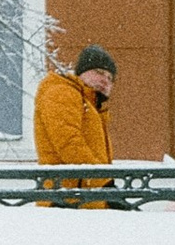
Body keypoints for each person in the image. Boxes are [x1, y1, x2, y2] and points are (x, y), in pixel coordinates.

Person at [33, 44, 116, 200]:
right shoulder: (63, 92)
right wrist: (104, 182)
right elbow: (69, 143)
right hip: (66, 202)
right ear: (82, 73)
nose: (105, 80)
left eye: (110, 78)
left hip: (83, 200)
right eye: (99, 72)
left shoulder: (92, 107)